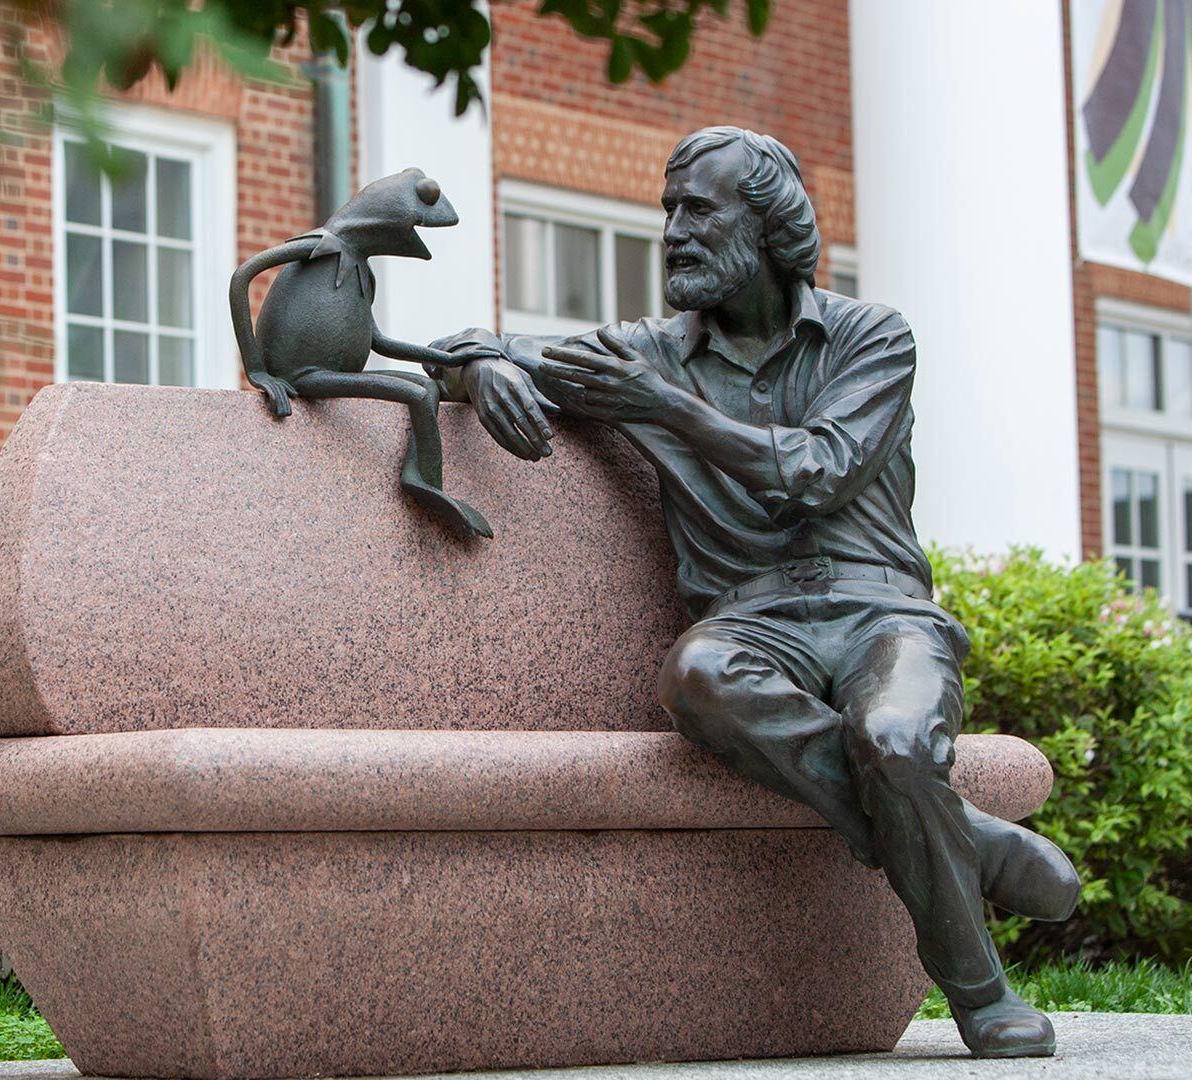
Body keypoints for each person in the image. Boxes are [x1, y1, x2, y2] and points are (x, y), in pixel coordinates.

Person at [429, 126, 1079, 1059]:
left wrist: (668, 408)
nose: (675, 232)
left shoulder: (871, 336)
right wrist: (483, 366)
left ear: (769, 224)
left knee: (896, 739)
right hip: (753, 622)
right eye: (668, 212)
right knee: (698, 673)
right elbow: (459, 346)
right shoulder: (648, 349)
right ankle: (962, 835)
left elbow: (819, 469)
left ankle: (978, 991)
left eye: (699, 210)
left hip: (880, 614)